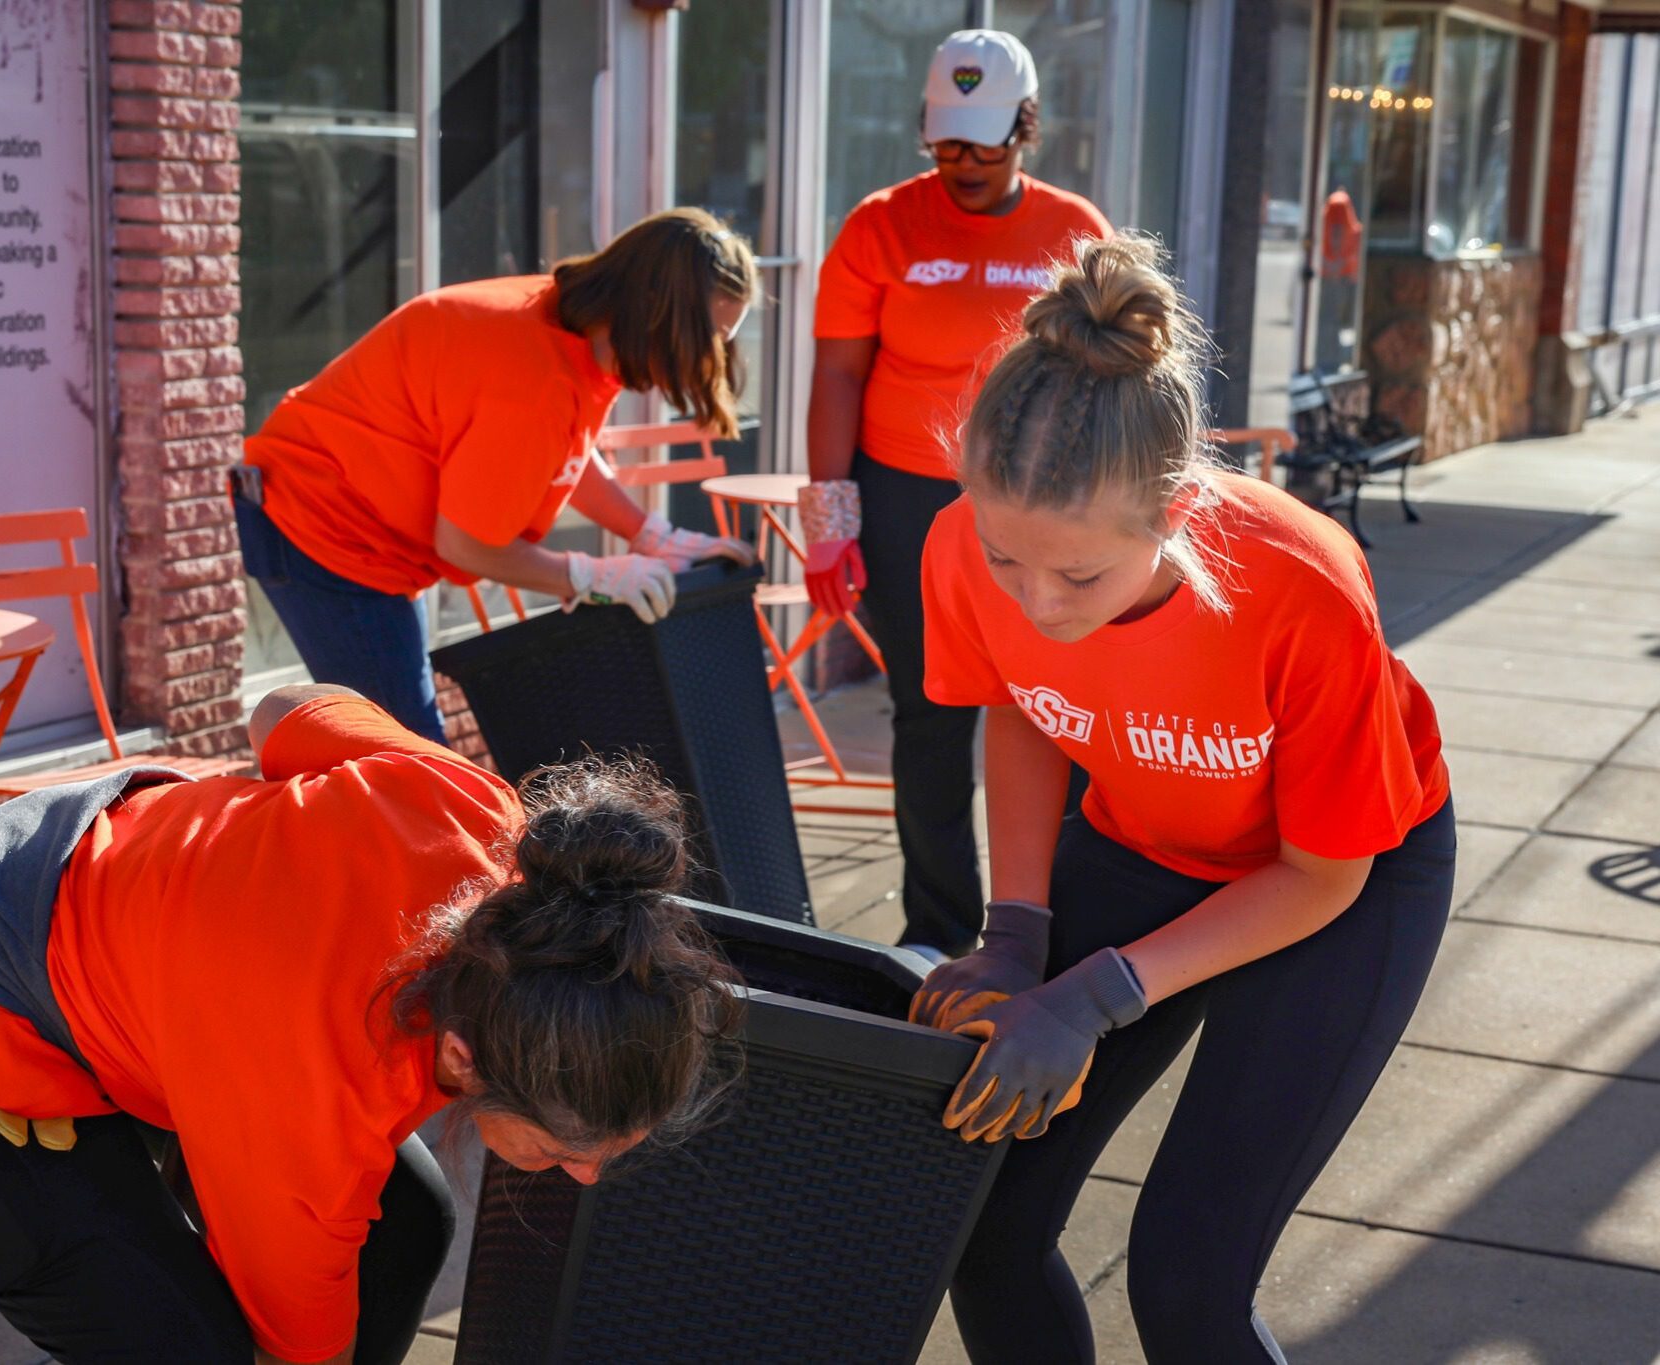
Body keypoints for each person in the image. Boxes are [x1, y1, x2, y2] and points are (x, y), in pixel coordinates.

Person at [0, 686, 742, 1364]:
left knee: (406, 1228)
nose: (587, 1174)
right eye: (570, 1146)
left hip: (146, 970)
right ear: (462, 1051)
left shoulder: (493, 833)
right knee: (180, 1348)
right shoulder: (311, 1094)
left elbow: (280, 714)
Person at [909, 233, 1454, 1362]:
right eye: (1009, 562)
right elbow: (1015, 710)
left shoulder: (1297, 582)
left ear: (1172, 515)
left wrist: (1097, 994)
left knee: (1186, 1280)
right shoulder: (963, 545)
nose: (1037, 602)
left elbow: (1320, 875)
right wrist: (1015, 934)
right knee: (981, 1230)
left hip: (1335, 881)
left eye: (1079, 576)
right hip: (1140, 837)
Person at [798, 29, 1112, 962]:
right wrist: (829, 517)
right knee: (928, 718)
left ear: (1025, 127)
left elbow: (1102, 376)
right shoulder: (880, 225)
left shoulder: (1072, 228)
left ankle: (1045, 920)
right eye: (945, 142)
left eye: (982, 141)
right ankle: (935, 930)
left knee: (1051, 703)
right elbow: (837, 375)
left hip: (1032, 498)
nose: (962, 163)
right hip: (903, 496)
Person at [237, 208, 758, 745]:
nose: (713, 357)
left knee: (397, 762)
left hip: (356, 528)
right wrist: (591, 577)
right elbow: (469, 546)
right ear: (657, 312)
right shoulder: (531, 374)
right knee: (408, 767)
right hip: (322, 531)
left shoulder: (572, 326)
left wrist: (650, 535)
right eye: (708, 337)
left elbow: (565, 452)